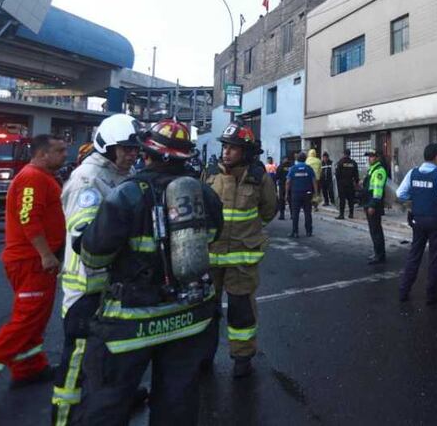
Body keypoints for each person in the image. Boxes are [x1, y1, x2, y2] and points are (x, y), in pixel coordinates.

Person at [73, 119, 222, 424]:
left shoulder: (127, 194)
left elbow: (94, 255)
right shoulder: (205, 195)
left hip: (130, 322)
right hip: (187, 317)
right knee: (177, 403)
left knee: (108, 402)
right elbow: (213, 236)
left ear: (148, 153)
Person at [0, 135, 68, 421]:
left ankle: (29, 368)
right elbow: (28, 218)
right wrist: (45, 254)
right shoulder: (33, 178)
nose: (64, 155)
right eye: (59, 150)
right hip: (31, 262)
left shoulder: (41, 176)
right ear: (43, 154)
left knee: (34, 320)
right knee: (23, 324)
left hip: (34, 262)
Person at [53, 115, 142, 425]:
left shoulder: (119, 176)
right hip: (86, 289)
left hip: (107, 285)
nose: (132, 154)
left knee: (103, 355)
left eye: (135, 149)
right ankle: (62, 418)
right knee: (75, 360)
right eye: (126, 149)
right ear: (107, 146)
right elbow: (83, 237)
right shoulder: (89, 181)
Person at [205, 122, 277, 379]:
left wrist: (248, 232)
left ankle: (242, 357)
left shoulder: (259, 179)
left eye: (233, 148)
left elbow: (268, 211)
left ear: (245, 152)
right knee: (206, 308)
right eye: (225, 146)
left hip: (242, 258)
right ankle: (204, 355)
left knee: (241, 309)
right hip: (210, 256)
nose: (226, 152)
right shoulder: (210, 174)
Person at [397, 144, 437, 305]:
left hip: (418, 220)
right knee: (435, 258)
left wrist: (416, 197)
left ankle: (403, 290)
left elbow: (400, 193)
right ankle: (432, 295)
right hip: (436, 221)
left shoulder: (413, 173)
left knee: (414, 256)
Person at [364, 150, 388, 264]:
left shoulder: (379, 171)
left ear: (377, 158)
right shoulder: (372, 170)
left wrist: (372, 205)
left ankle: (380, 255)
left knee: (376, 230)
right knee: (373, 230)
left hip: (374, 204)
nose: (369, 158)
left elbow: (378, 191)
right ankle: (377, 252)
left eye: (372, 156)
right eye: (369, 157)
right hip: (369, 202)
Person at [286, 151, 317, 237]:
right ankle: (309, 232)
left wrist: (286, 194)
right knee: (308, 212)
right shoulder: (309, 168)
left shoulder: (293, 168)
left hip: (296, 193)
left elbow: (288, 182)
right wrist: (316, 193)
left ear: (297, 159)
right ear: (305, 159)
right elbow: (314, 181)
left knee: (295, 213)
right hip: (307, 193)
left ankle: (295, 232)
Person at [335, 149, 359, 219]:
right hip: (350, 183)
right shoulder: (353, 163)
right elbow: (356, 174)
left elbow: (337, 174)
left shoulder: (340, 162)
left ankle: (341, 214)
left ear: (344, 154)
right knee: (350, 199)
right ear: (349, 154)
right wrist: (356, 183)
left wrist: (338, 183)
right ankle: (351, 214)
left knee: (342, 199)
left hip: (342, 184)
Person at [275, 153, 294, 221]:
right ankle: (292, 215)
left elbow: (277, 176)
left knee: (282, 200)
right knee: (291, 200)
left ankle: (282, 215)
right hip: (291, 186)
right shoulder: (292, 166)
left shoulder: (280, 167)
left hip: (282, 186)